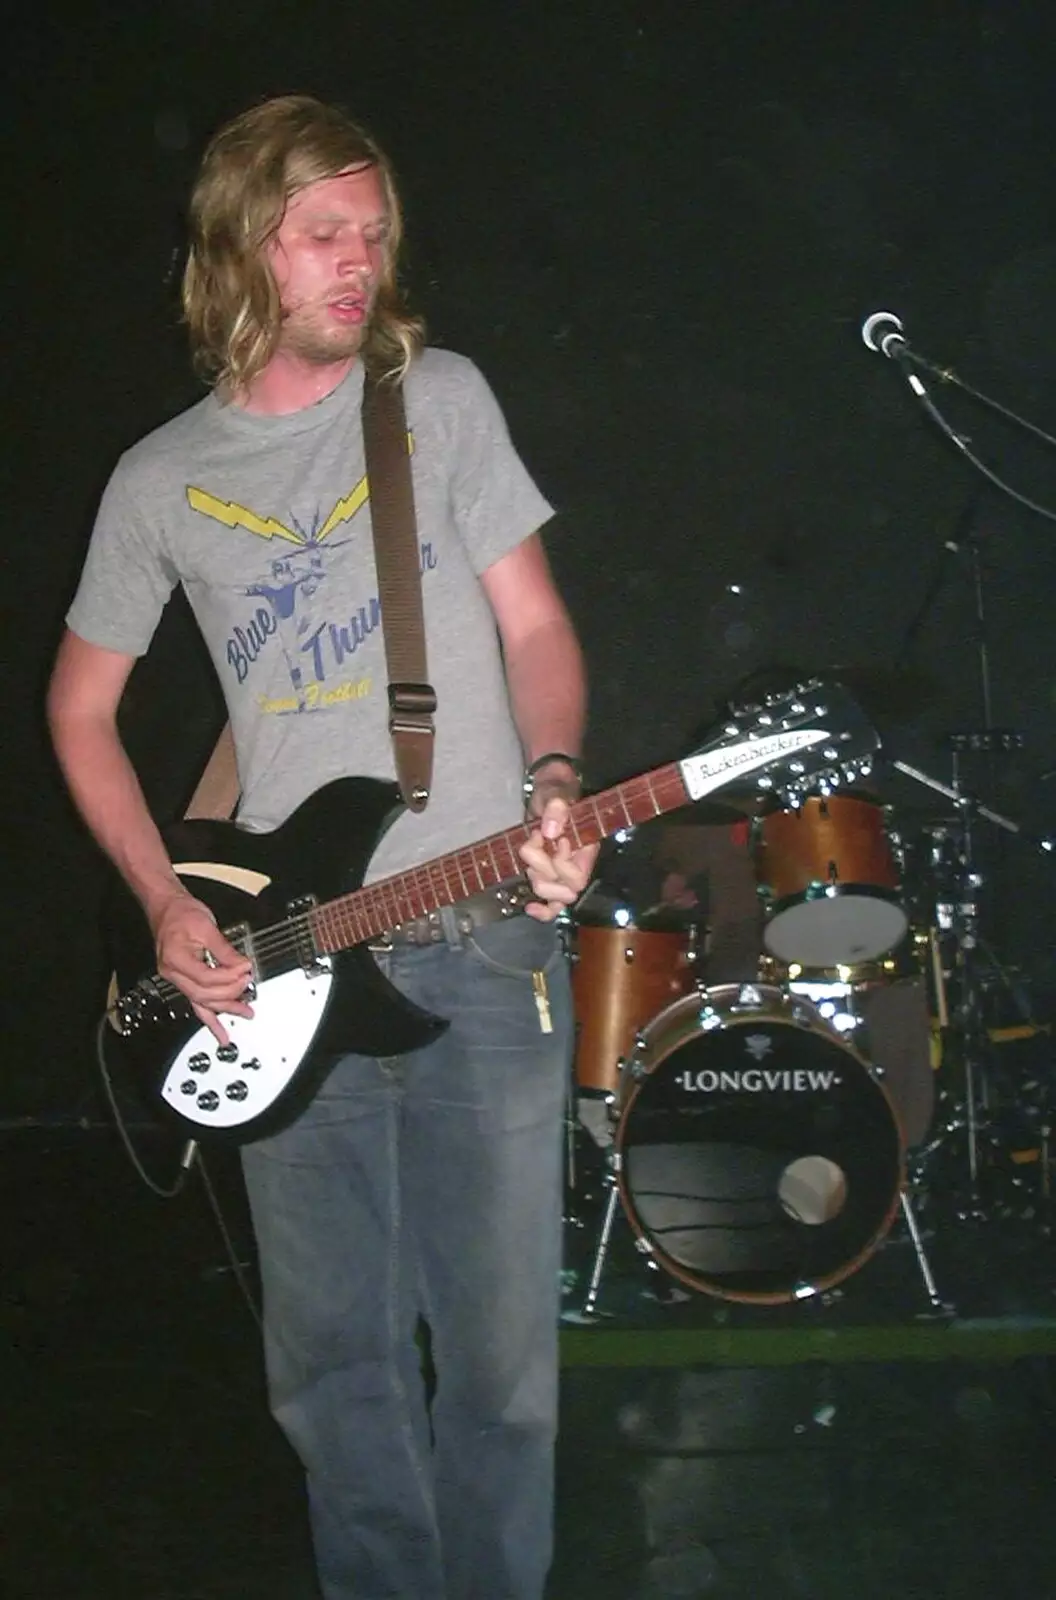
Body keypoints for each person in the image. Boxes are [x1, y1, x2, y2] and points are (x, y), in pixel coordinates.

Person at [47, 94, 596, 1600]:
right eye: (323, 237)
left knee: (499, 1376)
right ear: (242, 248)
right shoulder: (160, 480)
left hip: (486, 939)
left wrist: (554, 774)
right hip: (289, 966)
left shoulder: (443, 402)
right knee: (335, 1369)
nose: (359, 265)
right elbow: (79, 710)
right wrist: (162, 901)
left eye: (375, 235)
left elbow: (536, 623)